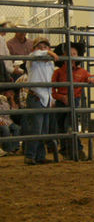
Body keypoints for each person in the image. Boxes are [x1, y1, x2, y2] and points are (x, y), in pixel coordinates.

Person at [51, 42, 94, 160]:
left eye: (74, 54)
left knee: (69, 125)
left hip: (74, 100)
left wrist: (93, 78)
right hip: (60, 101)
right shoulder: (58, 72)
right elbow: (52, 90)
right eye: (69, 54)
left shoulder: (82, 72)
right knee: (61, 127)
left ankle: (77, 149)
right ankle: (66, 150)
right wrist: (61, 97)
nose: (71, 56)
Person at [22, 37, 58, 165]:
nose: (43, 49)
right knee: (36, 128)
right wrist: (49, 52)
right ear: (34, 48)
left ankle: (39, 155)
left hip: (46, 97)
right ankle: (30, 155)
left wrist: (52, 98)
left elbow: (51, 81)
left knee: (43, 129)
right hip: (36, 96)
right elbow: (35, 54)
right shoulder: (33, 58)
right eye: (40, 47)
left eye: (46, 47)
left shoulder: (50, 63)